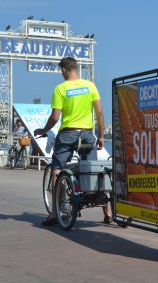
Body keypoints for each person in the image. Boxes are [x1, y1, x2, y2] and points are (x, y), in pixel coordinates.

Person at [34, 57, 112, 226]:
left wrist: (44, 130)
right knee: (94, 170)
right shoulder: (90, 86)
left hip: (68, 134)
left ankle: (55, 213)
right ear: (76, 68)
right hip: (86, 134)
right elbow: (99, 113)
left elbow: (55, 117)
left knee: (56, 169)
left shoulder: (60, 88)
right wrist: (100, 136)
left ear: (63, 69)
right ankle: (108, 212)